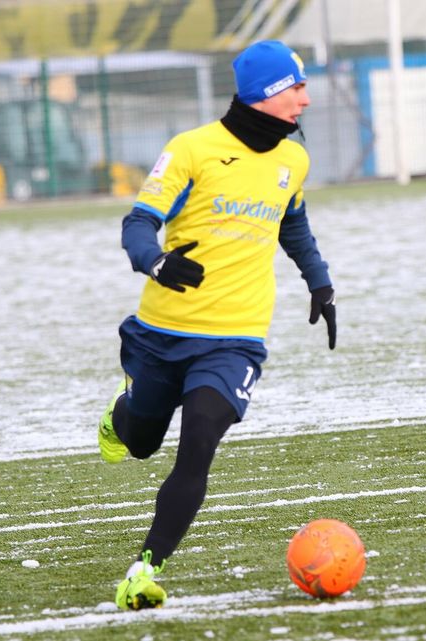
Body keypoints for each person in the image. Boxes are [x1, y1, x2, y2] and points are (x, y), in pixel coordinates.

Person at [97, 39, 336, 610]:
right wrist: (154, 260)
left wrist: (320, 282)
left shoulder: (293, 160)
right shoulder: (192, 150)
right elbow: (138, 223)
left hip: (235, 340)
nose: (306, 99)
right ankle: (123, 414)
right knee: (142, 442)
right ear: (267, 95)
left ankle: (143, 568)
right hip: (163, 334)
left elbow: (293, 225)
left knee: (199, 438)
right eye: (296, 88)